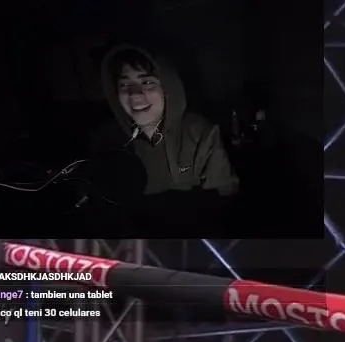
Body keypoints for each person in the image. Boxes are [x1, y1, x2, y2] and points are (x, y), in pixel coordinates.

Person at [86, 45, 238, 236]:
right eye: (124, 85)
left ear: (167, 87)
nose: (135, 94)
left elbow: (225, 200)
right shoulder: (106, 138)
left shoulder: (199, 132)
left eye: (147, 82)